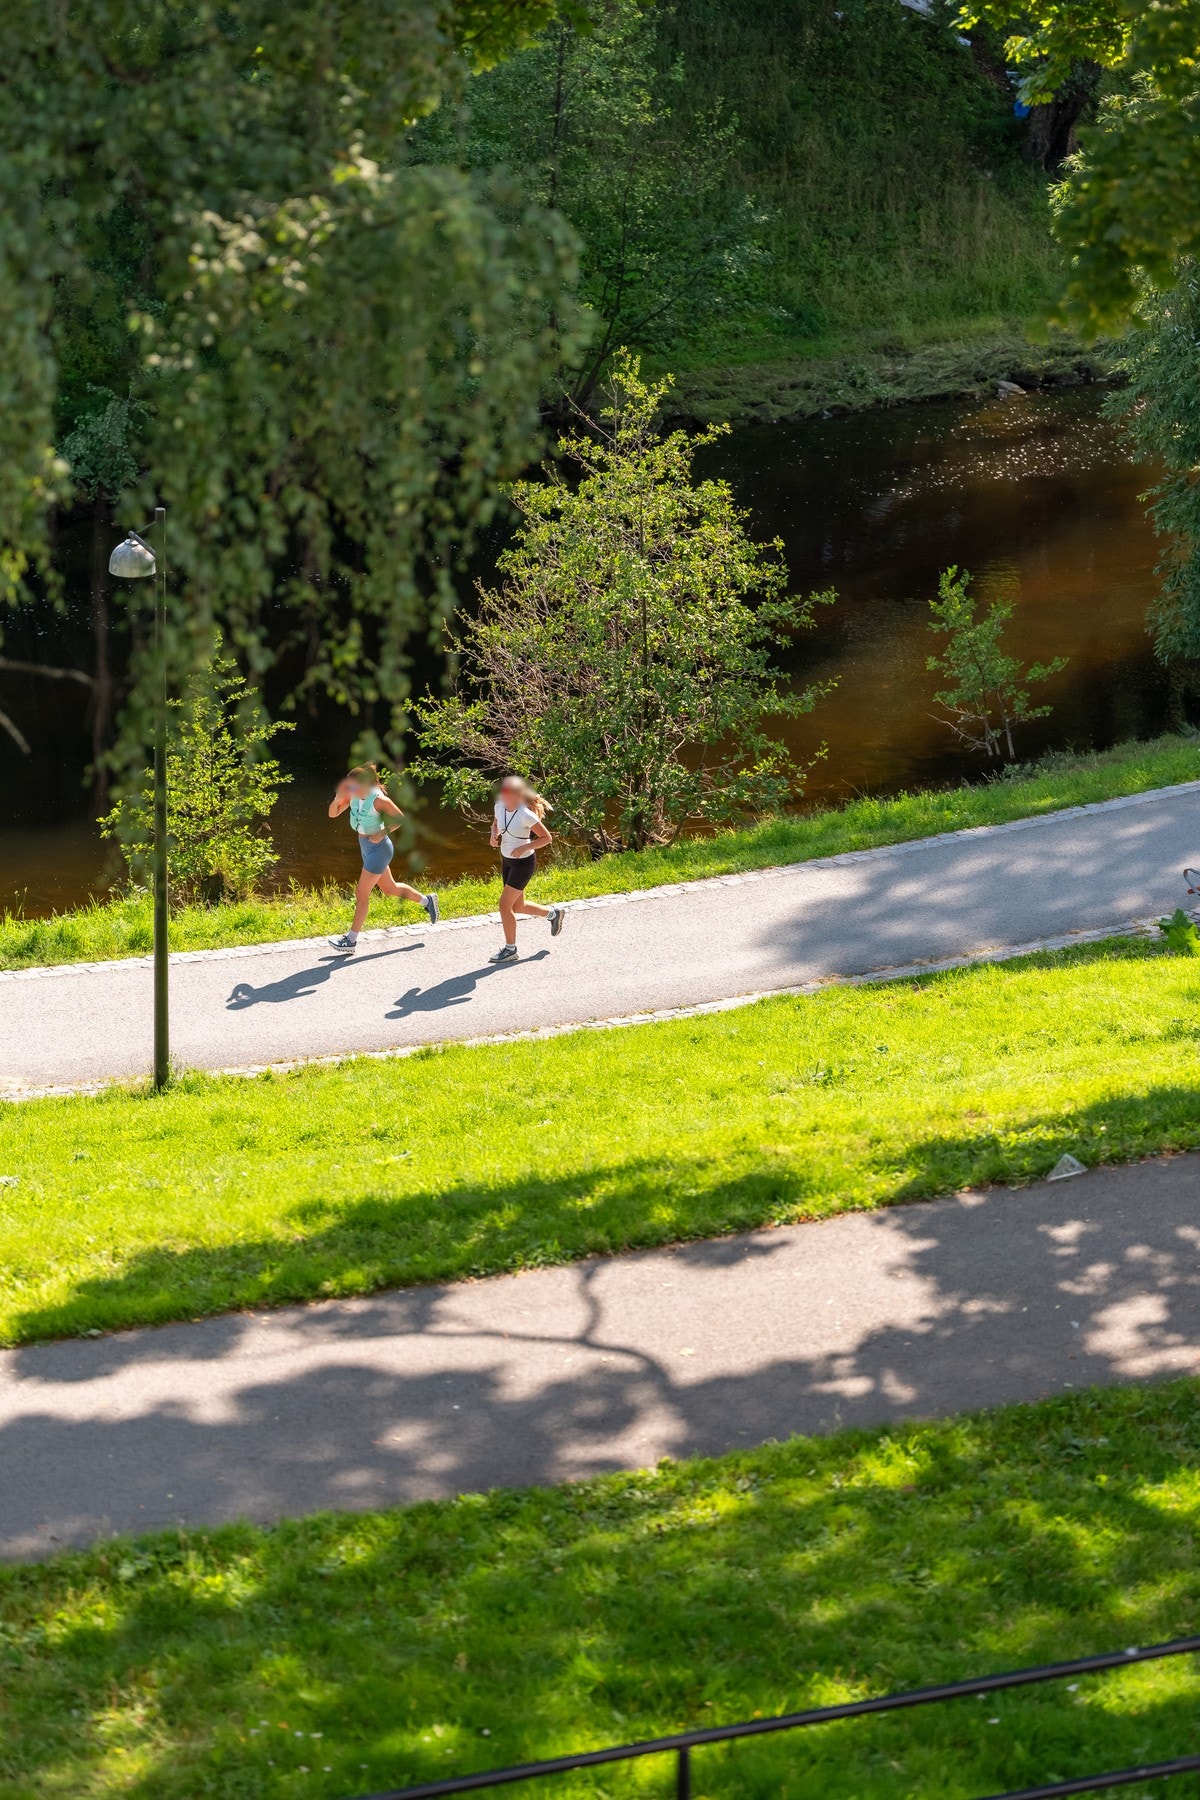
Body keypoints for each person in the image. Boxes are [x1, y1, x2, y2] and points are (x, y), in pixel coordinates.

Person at [327, 764, 439, 951]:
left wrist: (385, 830)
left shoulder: (378, 800)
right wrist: (336, 799)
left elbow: (401, 818)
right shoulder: (353, 795)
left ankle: (351, 940)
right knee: (390, 888)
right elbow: (333, 814)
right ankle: (427, 901)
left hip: (379, 850)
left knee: (361, 894)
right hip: (366, 848)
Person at [488, 775, 565, 964]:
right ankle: (554, 914)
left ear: (517, 795)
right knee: (518, 906)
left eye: (506, 792)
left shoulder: (525, 814)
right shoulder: (499, 805)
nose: (502, 795)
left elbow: (546, 838)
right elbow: (496, 823)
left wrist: (524, 847)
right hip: (507, 861)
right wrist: (493, 835)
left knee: (504, 905)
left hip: (523, 863)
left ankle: (510, 950)